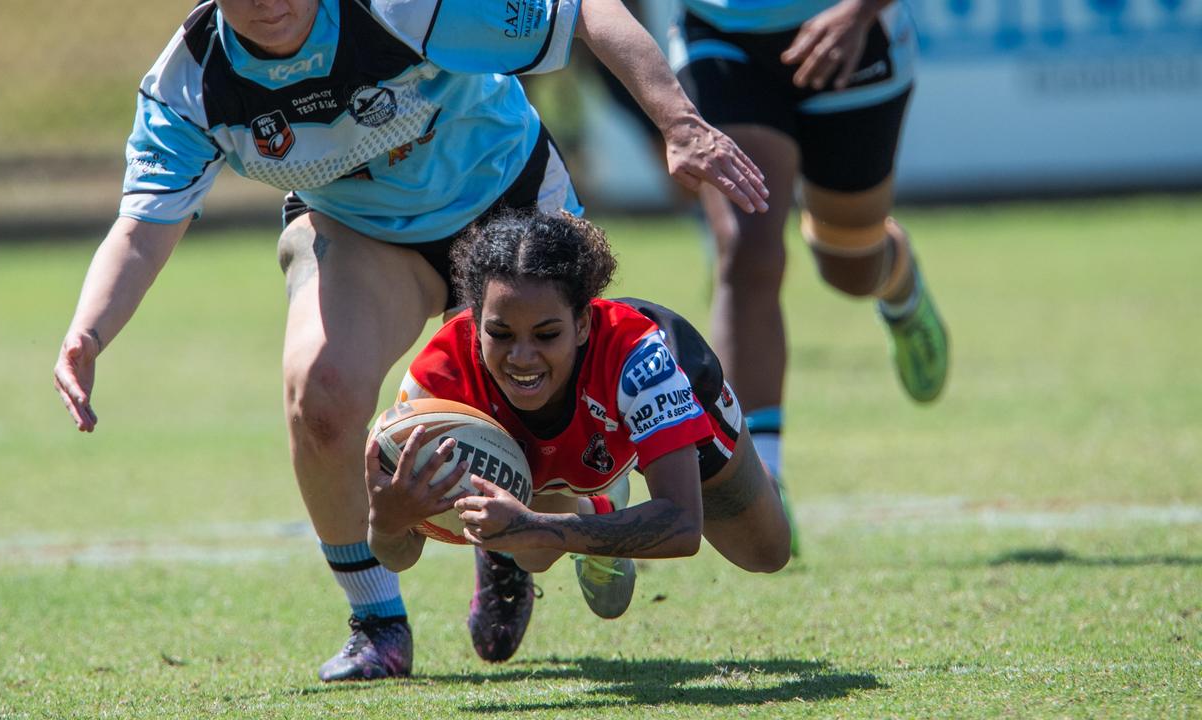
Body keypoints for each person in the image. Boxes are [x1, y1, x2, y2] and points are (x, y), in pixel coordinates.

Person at [51, 0, 771, 683]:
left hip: (506, 205)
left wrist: (679, 122)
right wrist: (87, 333)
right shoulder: (189, 83)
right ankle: (377, 622)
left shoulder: (403, 9)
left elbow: (584, 11)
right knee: (321, 397)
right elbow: (143, 231)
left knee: (545, 435)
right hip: (360, 230)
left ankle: (577, 506)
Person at [365, 208, 792, 660]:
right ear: (474, 320)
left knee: (766, 552)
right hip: (547, 454)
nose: (522, 357)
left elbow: (684, 525)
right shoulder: (439, 380)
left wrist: (535, 526)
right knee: (531, 552)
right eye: (500, 334)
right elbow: (396, 554)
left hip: (671, 404)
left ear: (583, 323)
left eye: (547, 334)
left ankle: (603, 506)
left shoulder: (642, 361)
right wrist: (386, 520)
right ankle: (598, 508)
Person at [672, 0, 951, 552]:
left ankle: (897, 281)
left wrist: (860, 12)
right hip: (721, 34)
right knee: (746, 248)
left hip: (850, 28)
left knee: (850, 263)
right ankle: (761, 481)